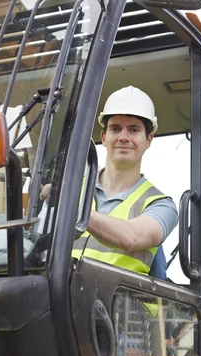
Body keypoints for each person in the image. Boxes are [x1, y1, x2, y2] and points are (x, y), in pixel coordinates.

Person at [71, 85, 178, 278]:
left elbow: (132, 237)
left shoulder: (161, 205)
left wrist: (73, 210)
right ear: (103, 137)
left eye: (134, 130)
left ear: (149, 140)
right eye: (115, 128)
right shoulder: (71, 188)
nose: (123, 137)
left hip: (122, 307)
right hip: (62, 302)